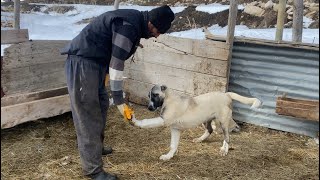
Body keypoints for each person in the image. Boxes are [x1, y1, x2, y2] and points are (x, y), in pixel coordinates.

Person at [60, 5, 175, 180]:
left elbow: (111, 53)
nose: (157, 35)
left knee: (102, 105)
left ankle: (95, 149)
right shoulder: (129, 26)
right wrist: (120, 101)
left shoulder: (136, 24)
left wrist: (105, 75)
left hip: (96, 65)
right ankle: (93, 170)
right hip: (83, 63)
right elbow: (117, 62)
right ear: (152, 23)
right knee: (88, 113)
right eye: (158, 30)